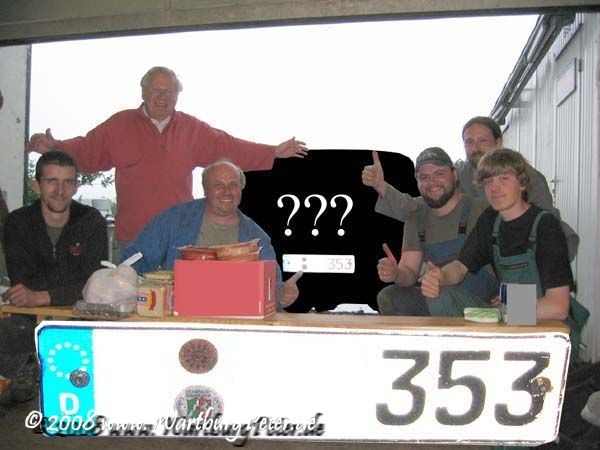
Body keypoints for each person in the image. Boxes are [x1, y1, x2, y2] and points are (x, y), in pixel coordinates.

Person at [27, 66, 309, 250]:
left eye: (170, 91)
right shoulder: (119, 125)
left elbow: (230, 148)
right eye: (157, 90)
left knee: (181, 306)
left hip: (181, 237)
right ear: (143, 91)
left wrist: (272, 152)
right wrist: (55, 147)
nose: (163, 97)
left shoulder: (192, 129)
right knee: (133, 308)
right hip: (133, 237)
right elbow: (87, 151)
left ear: (177, 96)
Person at [362, 116, 579, 261]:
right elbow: (420, 206)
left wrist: (519, 287)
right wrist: (381, 187)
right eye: (469, 142)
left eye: (482, 140)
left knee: (525, 313)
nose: (475, 148)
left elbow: (547, 227)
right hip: (492, 267)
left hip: (531, 261)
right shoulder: (460, 177)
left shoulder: (529, 178)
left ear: (498, 142)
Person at [0, 151, 107, 409]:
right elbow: (22, 283)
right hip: (29, 319)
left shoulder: (91, 221)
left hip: (82, 316)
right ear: (37, 185)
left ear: (76, 186)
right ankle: (29, 367)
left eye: (67, 182)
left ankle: (39, 367)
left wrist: (42, 296)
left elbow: (95, 283)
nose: (60, 191)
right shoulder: (17, 223)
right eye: (51, 181)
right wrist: (52, 294)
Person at [120, 159, 301, 309]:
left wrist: (282, 295)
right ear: (205, 189)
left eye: (233, 185)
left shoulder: (257, 238)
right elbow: (137, 258)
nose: (227, 191)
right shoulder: (175, 219)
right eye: (218, 185)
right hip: (179, 318)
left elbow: (272, 289)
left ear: (241, 190)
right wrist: (121, 278)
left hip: (236, 319)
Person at [420, 148, 575, 323]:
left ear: (522, 183)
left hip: (546, 323)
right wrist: (440, 277)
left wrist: (505, 309)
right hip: (509, 314)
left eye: (503, 178)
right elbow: (460, 267)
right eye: (488, 181)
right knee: (439, 294)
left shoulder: (545, 225)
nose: (494, 188)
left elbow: (558, 307)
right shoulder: (490, 220)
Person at [376, 147, 497, 317]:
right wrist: (396, 273)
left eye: (439, 173)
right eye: (424, 177)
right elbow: (413, 271)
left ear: (455, 175)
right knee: (390, 297)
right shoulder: (416, 216)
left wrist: (508, 298)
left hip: (489, 308)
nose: (431, 182)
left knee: (438, 295)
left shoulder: (486, 211)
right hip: (447, 300)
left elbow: (517, 270)